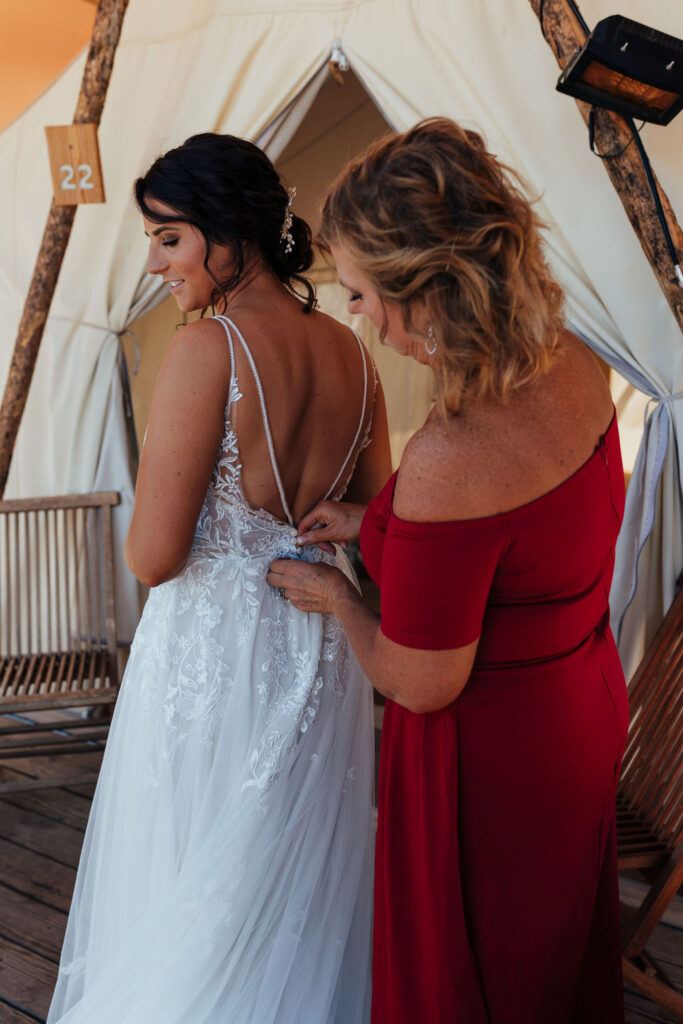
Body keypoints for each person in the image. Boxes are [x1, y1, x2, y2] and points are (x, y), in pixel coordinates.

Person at [269, 118, 628, 1024]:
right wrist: (376, 520)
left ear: (420, 292)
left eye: (356, 293)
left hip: (489, 767)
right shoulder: (571, 360)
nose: (351, 311)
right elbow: (516, 544)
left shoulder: (453, 456)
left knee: (473, 984)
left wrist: (342, 599)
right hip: (577, 712)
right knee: (543, 973)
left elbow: (420, 682)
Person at [47, 133, 391, 1024]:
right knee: (293, 877)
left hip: (217, 650)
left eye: (169, 237)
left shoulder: (209, 351)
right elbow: (375, 513)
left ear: (228, 232)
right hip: (319, 643)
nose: (156, 262)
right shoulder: (357, 356)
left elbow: (154, 558)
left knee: (194, 869)